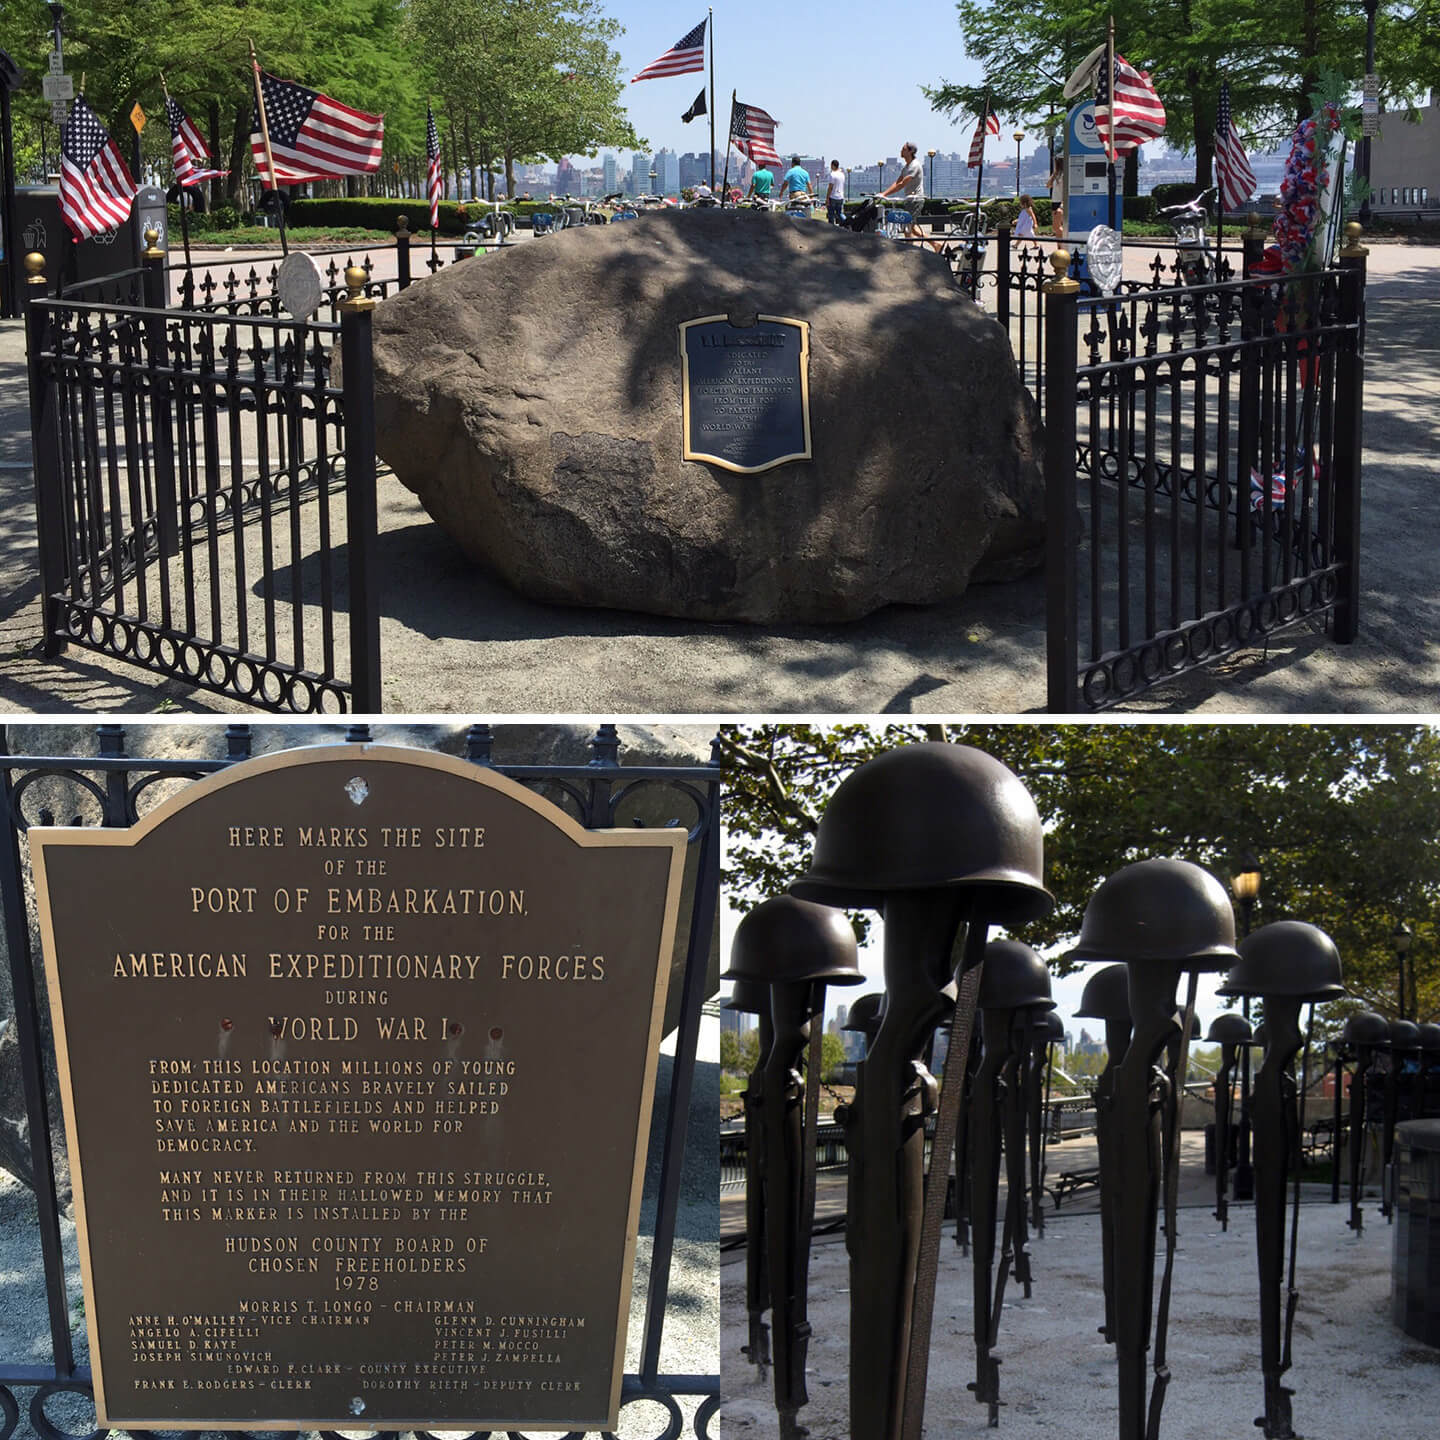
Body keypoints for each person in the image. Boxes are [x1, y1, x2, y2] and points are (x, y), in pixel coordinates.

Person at [876, 141, 938, 250]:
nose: (901, 151)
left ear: (911, 151)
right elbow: (897, 182)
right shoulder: (906, 167)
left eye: (904, 149)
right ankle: (934, 245)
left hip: (915, 199)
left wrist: (884, 194)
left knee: (907, 227)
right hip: (909, 200)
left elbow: (902, 184)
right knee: (911, 228)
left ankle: (911, 251)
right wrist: (883, 194)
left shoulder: (914, 166)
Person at [826, 160, 846, 224]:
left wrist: (827, 198)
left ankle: (831, 228)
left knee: (831, 214)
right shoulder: (842, 174)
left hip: (833, 196)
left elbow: (830, 187)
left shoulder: (832, 174)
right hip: (840, 196)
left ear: (833, 165)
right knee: (839, 213)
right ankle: (847, 222)